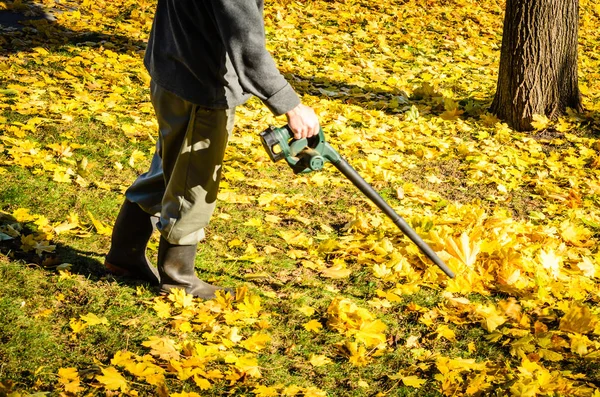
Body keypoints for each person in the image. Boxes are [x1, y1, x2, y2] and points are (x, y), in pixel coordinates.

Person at [104, 0, 320, 299]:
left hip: (170, 69)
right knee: (193, 182)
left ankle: (123, 256)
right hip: (201, 87)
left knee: (170, 166)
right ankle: (179, 278)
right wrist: (291, 106)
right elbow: (247, 46)